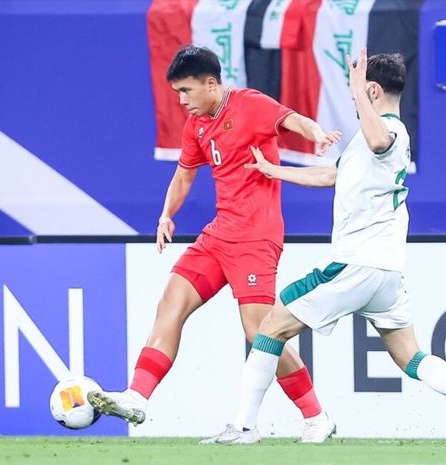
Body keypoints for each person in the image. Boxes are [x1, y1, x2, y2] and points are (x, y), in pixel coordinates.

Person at [201, 49, 446, 445]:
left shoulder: (387, 132)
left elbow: (379, 138)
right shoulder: (370, 143)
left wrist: (357, 89)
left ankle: (244, 428)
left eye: (359, 96)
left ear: (373, 91)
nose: (354, 103)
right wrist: (276, 171)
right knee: (410, 357)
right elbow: (334, 174)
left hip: (355, 264)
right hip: (387, 274)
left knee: (269, 328)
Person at [87, 45, 342, 443]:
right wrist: (166, 214)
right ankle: (138, 397)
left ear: (211, 83)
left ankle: (317, 416)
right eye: (177, 93)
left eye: (187, 91)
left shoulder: (250, 104)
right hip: (219, 234)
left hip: (256, 237)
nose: (182, 100)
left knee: (261, 333)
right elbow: (184, 176)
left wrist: (318, 135)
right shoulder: (197, 126)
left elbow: (294, 120)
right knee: (171, 301)